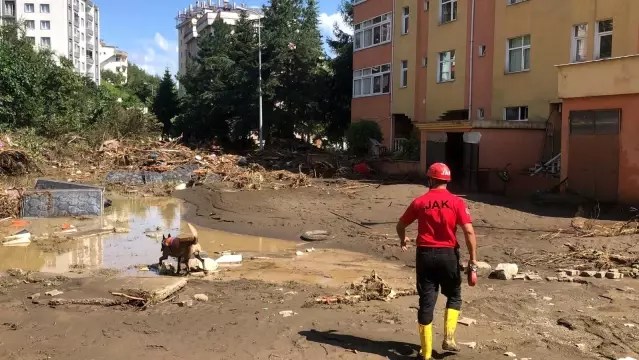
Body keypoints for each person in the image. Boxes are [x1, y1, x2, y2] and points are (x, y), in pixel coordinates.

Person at [395, 162, 477, 360]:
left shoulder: (420, 202)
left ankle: (426, 352)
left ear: (430, 180)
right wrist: (473, 260)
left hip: (425, 255)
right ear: (447, 180)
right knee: (455, 295)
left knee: (426, 301)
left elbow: (401, 224)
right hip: (448, 255)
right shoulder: (457, 202)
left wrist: (402, 238)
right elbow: (468, 231)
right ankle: (449, 338)